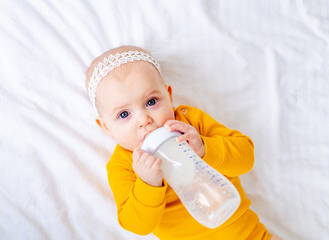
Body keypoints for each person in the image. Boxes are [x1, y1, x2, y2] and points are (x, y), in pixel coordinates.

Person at [86, 46, 281, 240]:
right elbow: (137, 226)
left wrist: (204, 148)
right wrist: (148, 184)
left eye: (151, 102)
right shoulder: (123, 165)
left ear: (168, 96)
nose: (144, 120)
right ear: (106, 128)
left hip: (250, 235)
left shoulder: (190, 124)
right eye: (124, 114)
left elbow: (246, 158)